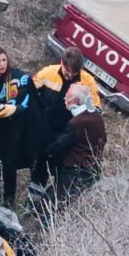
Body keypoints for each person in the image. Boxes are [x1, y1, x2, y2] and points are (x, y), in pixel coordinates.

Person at [30, 47, 102, 199]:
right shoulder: (48, 73)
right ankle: (32, 203)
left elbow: (94, 110)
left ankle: (50, 203)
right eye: (67, 71)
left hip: (69, 135)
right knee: (39, 171)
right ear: (62, 62)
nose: (69, 76)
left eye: (73, 73)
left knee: (60, 172)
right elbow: (29, 92)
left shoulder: (87, 81)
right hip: (46, 131)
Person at [0, 47, 36, 206]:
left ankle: (9, 198)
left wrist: (23, 91)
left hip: (11, 128)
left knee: (9, 162)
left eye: (4, 60)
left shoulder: (15, 75)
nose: (2, 64)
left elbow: (23, 87)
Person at [44, 83, 107, 210]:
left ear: (75, 101)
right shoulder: (96, 116)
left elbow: (59, 145)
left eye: (67, 97)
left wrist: (45, 150)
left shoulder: (77, 122)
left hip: (74, 172)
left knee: (55, 205)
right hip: (93, 169)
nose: (64, 99)